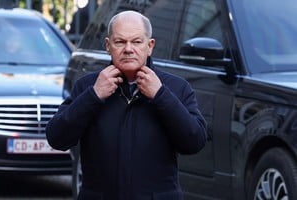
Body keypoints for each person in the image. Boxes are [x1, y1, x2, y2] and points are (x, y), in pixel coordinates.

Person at [46, 10, 207, 200]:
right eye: (120, 42)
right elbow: (57, 138)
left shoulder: (176, 88)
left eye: (137, 42)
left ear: (150, 46)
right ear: (108, 45)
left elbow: (194, 142)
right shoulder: (88, 86)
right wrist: (94, 96)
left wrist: (160, 95)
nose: (128, 49)